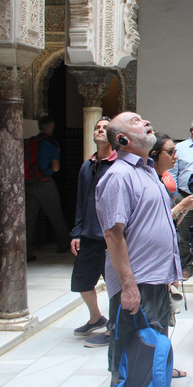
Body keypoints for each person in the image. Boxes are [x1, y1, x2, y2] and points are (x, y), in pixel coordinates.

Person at [95, 112, 186, 387]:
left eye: (143, 119)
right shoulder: (119, 175)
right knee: (132, 354)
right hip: (137, 282)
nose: (145, 122)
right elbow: (113, 235)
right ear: (122, 139)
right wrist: (128, 287)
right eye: (136, 121)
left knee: (152, 348)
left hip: (154, 279)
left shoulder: (147, 171)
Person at [70, 117, 116, 347]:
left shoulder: (118, 165)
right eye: (97, 127)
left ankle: (113, 329)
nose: (100, 130)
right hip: (88, 235)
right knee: (81, 281)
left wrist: (117, 237)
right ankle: (96, 317)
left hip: (109, 236)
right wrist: (77, 232)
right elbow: (81, 201)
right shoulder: (86, 166)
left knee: (114, 285)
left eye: (105, 128)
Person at [25, 115, 71, 259]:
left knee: (27, 219)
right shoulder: (51, 144)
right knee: (55, 214)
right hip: (45, 183)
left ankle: (24, 251)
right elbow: (56, 168)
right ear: (50, 127)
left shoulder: (30, 141)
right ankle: (64, 244)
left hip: (29, 183)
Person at [169, 116, 193, 280]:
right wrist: (175, 196)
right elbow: (172, 173)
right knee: (184, 233)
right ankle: (186, 266)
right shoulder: (180, 148)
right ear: (192, 129)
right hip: (184, 196)